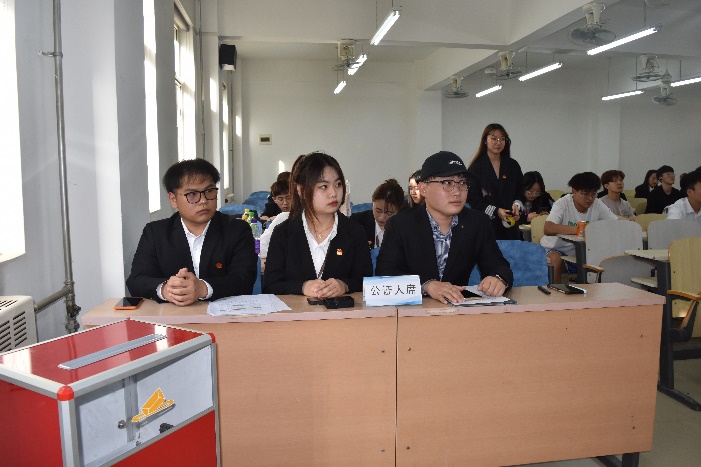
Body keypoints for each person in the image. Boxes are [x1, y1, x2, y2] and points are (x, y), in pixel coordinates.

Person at [376, 151, 513, 303]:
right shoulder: (400, 224)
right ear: (423, 189)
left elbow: (499, 266)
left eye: (462, 183)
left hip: (457, 309)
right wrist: (426, 285)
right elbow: (385, 274)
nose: (457, 192)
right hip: (413, 310)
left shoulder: (477, 223)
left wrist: (498, 278)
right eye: (447, 183)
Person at [127, 159, 257, 305]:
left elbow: (244, 279)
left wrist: (203, 288)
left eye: (209, 191)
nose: (203, 201)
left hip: (224, 314)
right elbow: (136, 281)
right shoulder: (155, 233)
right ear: (173, 199)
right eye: (192, 194)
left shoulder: (237, 230)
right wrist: (166, 290)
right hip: (172, 315)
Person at [263, 152, 372, 298]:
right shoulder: (283, 233)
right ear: (301, 190)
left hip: (342, 312)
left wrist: (345, 285)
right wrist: (302, 287)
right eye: (323, 186)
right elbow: (270, 286)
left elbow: (366, 282)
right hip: (297, 312)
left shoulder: (355, 232)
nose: (333, 193)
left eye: (338, 184)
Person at [540, 172, 618, 284]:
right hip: (556, 249)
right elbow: (549, 228)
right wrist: (581, 230)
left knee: (607, 258)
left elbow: (615, 224)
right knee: (555, 260)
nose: (590, 198)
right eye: (585, 194)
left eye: (593, 194)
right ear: (574, 191)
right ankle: (556, 293)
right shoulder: (562, 203)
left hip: (583, 252)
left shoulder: (597, 204)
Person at [467, 123, 523, 240]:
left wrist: (517, 205)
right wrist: (497, 211)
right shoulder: (476, 168)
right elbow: (474, 201)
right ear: (485, 141)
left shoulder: (513, 165)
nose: (498, 142)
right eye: (494, 139)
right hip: (486, 226)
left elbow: (520, 192)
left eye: (502, 139)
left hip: (510, 226)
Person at [351, 178, 404, 248]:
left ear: (399, 211)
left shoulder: (406, 229)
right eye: (378, 211)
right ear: (372, 204)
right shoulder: (357, 222)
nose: (382, 217)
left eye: (389, 213)